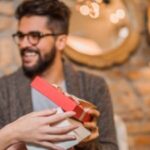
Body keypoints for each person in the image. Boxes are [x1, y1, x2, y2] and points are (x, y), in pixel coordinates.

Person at [0, 0, 118, 149]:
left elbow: (111, 147)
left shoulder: (94, 86)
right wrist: (14, 133)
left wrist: (87, 143)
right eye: (21, 36)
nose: (23, 44)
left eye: (35, 36)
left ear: (61, 41)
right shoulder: (3, 89)